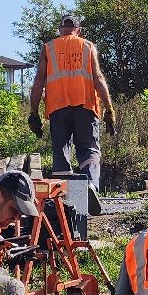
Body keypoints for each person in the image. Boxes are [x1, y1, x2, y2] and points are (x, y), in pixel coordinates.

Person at [26, 14, 116, 190]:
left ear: (60, 29)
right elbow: (98, 78)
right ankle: (89, 187)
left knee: (61, 151)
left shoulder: (48, 48)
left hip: (57, 108)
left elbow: (38, 82)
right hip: (85, 106)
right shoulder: (88, 46)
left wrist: (33, 112)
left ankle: (64, 195)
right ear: (79, 30)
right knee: (89, 149)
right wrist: (109, 109)